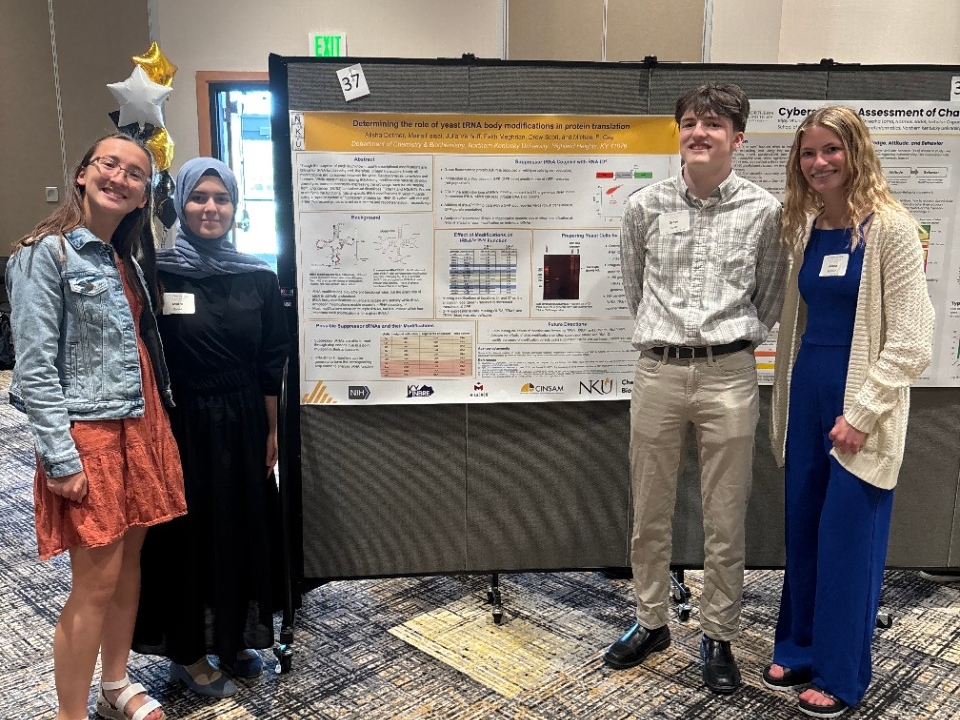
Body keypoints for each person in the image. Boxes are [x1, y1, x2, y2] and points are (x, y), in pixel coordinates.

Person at [604, 84, 788, 694]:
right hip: (657, 370)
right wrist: (671, 342)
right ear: (677, 132)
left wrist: (723, 344)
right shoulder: (644, 206)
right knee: (648, 508)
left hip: (729, 374)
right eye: (689, 122)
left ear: (738, 137)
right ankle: (650, 618)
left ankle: (718, 634)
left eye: (713, 124)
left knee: (725, 515)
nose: (698, 132)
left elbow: (770, 296)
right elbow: (635, 289)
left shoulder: (765, 212)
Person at [5, 133, 186, 720]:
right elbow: (33, 369)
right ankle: (70, 715)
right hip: (91, 437)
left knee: (128, 565)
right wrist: (60, 457)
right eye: (109, 164)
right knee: (94, 582)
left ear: (143, 197)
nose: (121, 177)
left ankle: (115, 684)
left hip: (141, 425)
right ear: (83, 174)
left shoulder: (124, 257)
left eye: (136, 174)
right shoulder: (45, 253)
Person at [764, 106, 935, 718]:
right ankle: (800, 645)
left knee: (846, 536)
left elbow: (914, 340)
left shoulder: (890, 227)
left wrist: (862, 412)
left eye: (831, 150)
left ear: (855, 152)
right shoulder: (805, 226)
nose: (819, 164)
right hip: (809, 389)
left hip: (862, 402)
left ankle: (841, 674)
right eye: (808, 153)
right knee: (804, 525)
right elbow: (799, 322)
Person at [132, 157, 290, 698]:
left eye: (221, 198)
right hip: (182, 422)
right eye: (198, 197)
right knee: (186, 535)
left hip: (245, 419)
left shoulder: (258, 275)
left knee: (240, 525)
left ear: (236, 206)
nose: (210, 208)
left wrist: (272, 432)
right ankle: (185, 651)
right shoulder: (154, 272)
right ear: (179, 202)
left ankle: (228, 636)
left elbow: (272, 360)